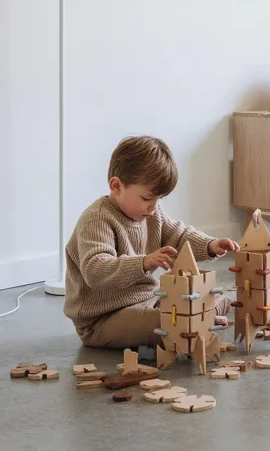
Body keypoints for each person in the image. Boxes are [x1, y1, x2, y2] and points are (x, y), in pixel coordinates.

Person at [63, 135, 239, 349]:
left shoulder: (151, 214)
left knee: (214, 297)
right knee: (169, 322)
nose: (153, 207)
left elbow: (179, 235)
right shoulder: (97, 219)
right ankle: (195, 322)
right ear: (116, 185)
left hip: (148, 300)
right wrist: (144, 262)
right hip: (103, 318)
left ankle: (198, 319)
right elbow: (96, 270)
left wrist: (211, 245)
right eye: (147, 199)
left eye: (158, 200)